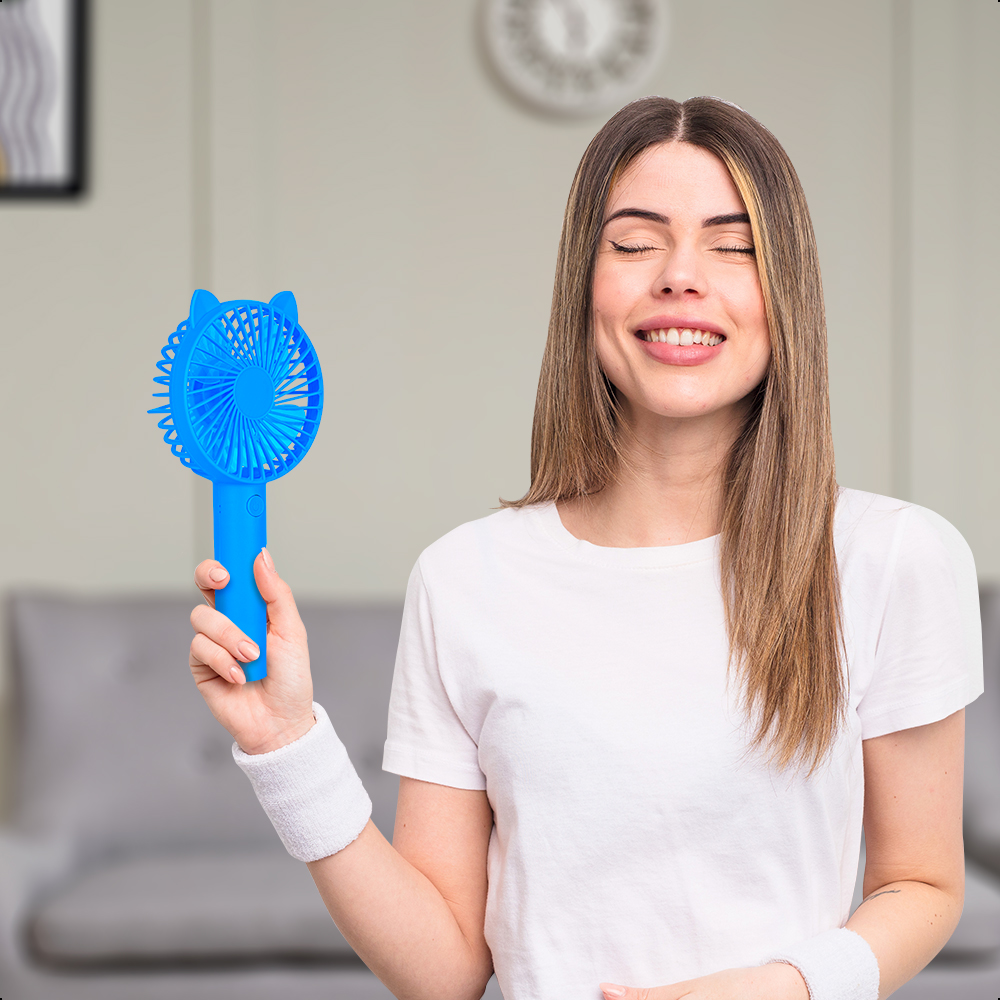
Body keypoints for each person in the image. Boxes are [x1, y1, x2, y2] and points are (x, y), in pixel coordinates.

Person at [188, 97, 982, 1000]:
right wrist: (287, 743)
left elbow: (922, 886)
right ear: (584, 285)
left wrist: (781, 989)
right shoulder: (463, 580)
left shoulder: (895, 560)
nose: (682, 277)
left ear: (785, 292)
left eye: (733, 245)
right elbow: (443, 970)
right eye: (636, 243)